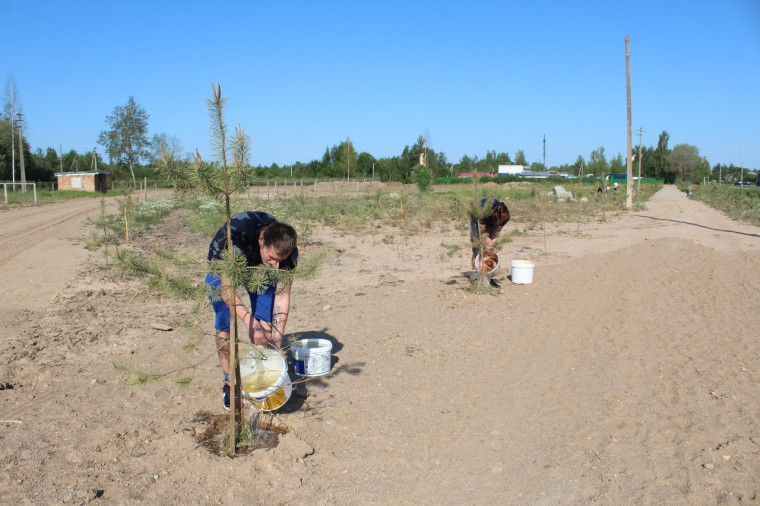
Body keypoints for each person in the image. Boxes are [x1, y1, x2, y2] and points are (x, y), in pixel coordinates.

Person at [205, 211, 298, 410]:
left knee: (264, 316)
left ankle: (264, 377)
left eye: (279, 260)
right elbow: (226, 291)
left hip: (256, 266)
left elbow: (282, 295)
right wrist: (248, 321)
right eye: (272, 258)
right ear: (261, 239)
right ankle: (229, 382)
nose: (275, 264)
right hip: (221, 267)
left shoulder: (286, 249)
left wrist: (278, 336)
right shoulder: (234, 240)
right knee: (224, 321)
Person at [470, 198, 510, 288]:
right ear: (493, 218)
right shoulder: (484, 214)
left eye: (501, 222)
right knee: (477, 248)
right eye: (498, 221)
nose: (500, 223)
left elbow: (496, 232)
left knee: (489, 249)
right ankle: (476, 277)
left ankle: (488, 276)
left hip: (491, 219)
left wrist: (492, 243)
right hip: (477, 217)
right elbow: (482, 231)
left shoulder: (505, 216)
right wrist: (486, 240)